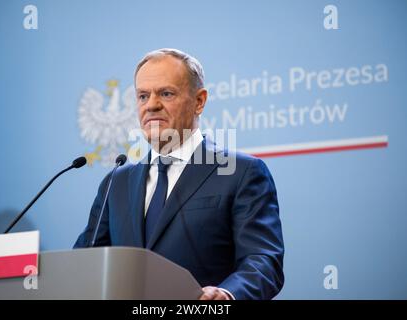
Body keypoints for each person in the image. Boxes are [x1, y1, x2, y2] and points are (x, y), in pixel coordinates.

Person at [74, 48, 284, 300]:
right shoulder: (116, 182)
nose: (151, 105)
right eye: (142, 96)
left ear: (199, 101)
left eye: (166, 93)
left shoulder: (242, 173)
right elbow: (85, 262)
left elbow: (263, 260)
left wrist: (228, 294)